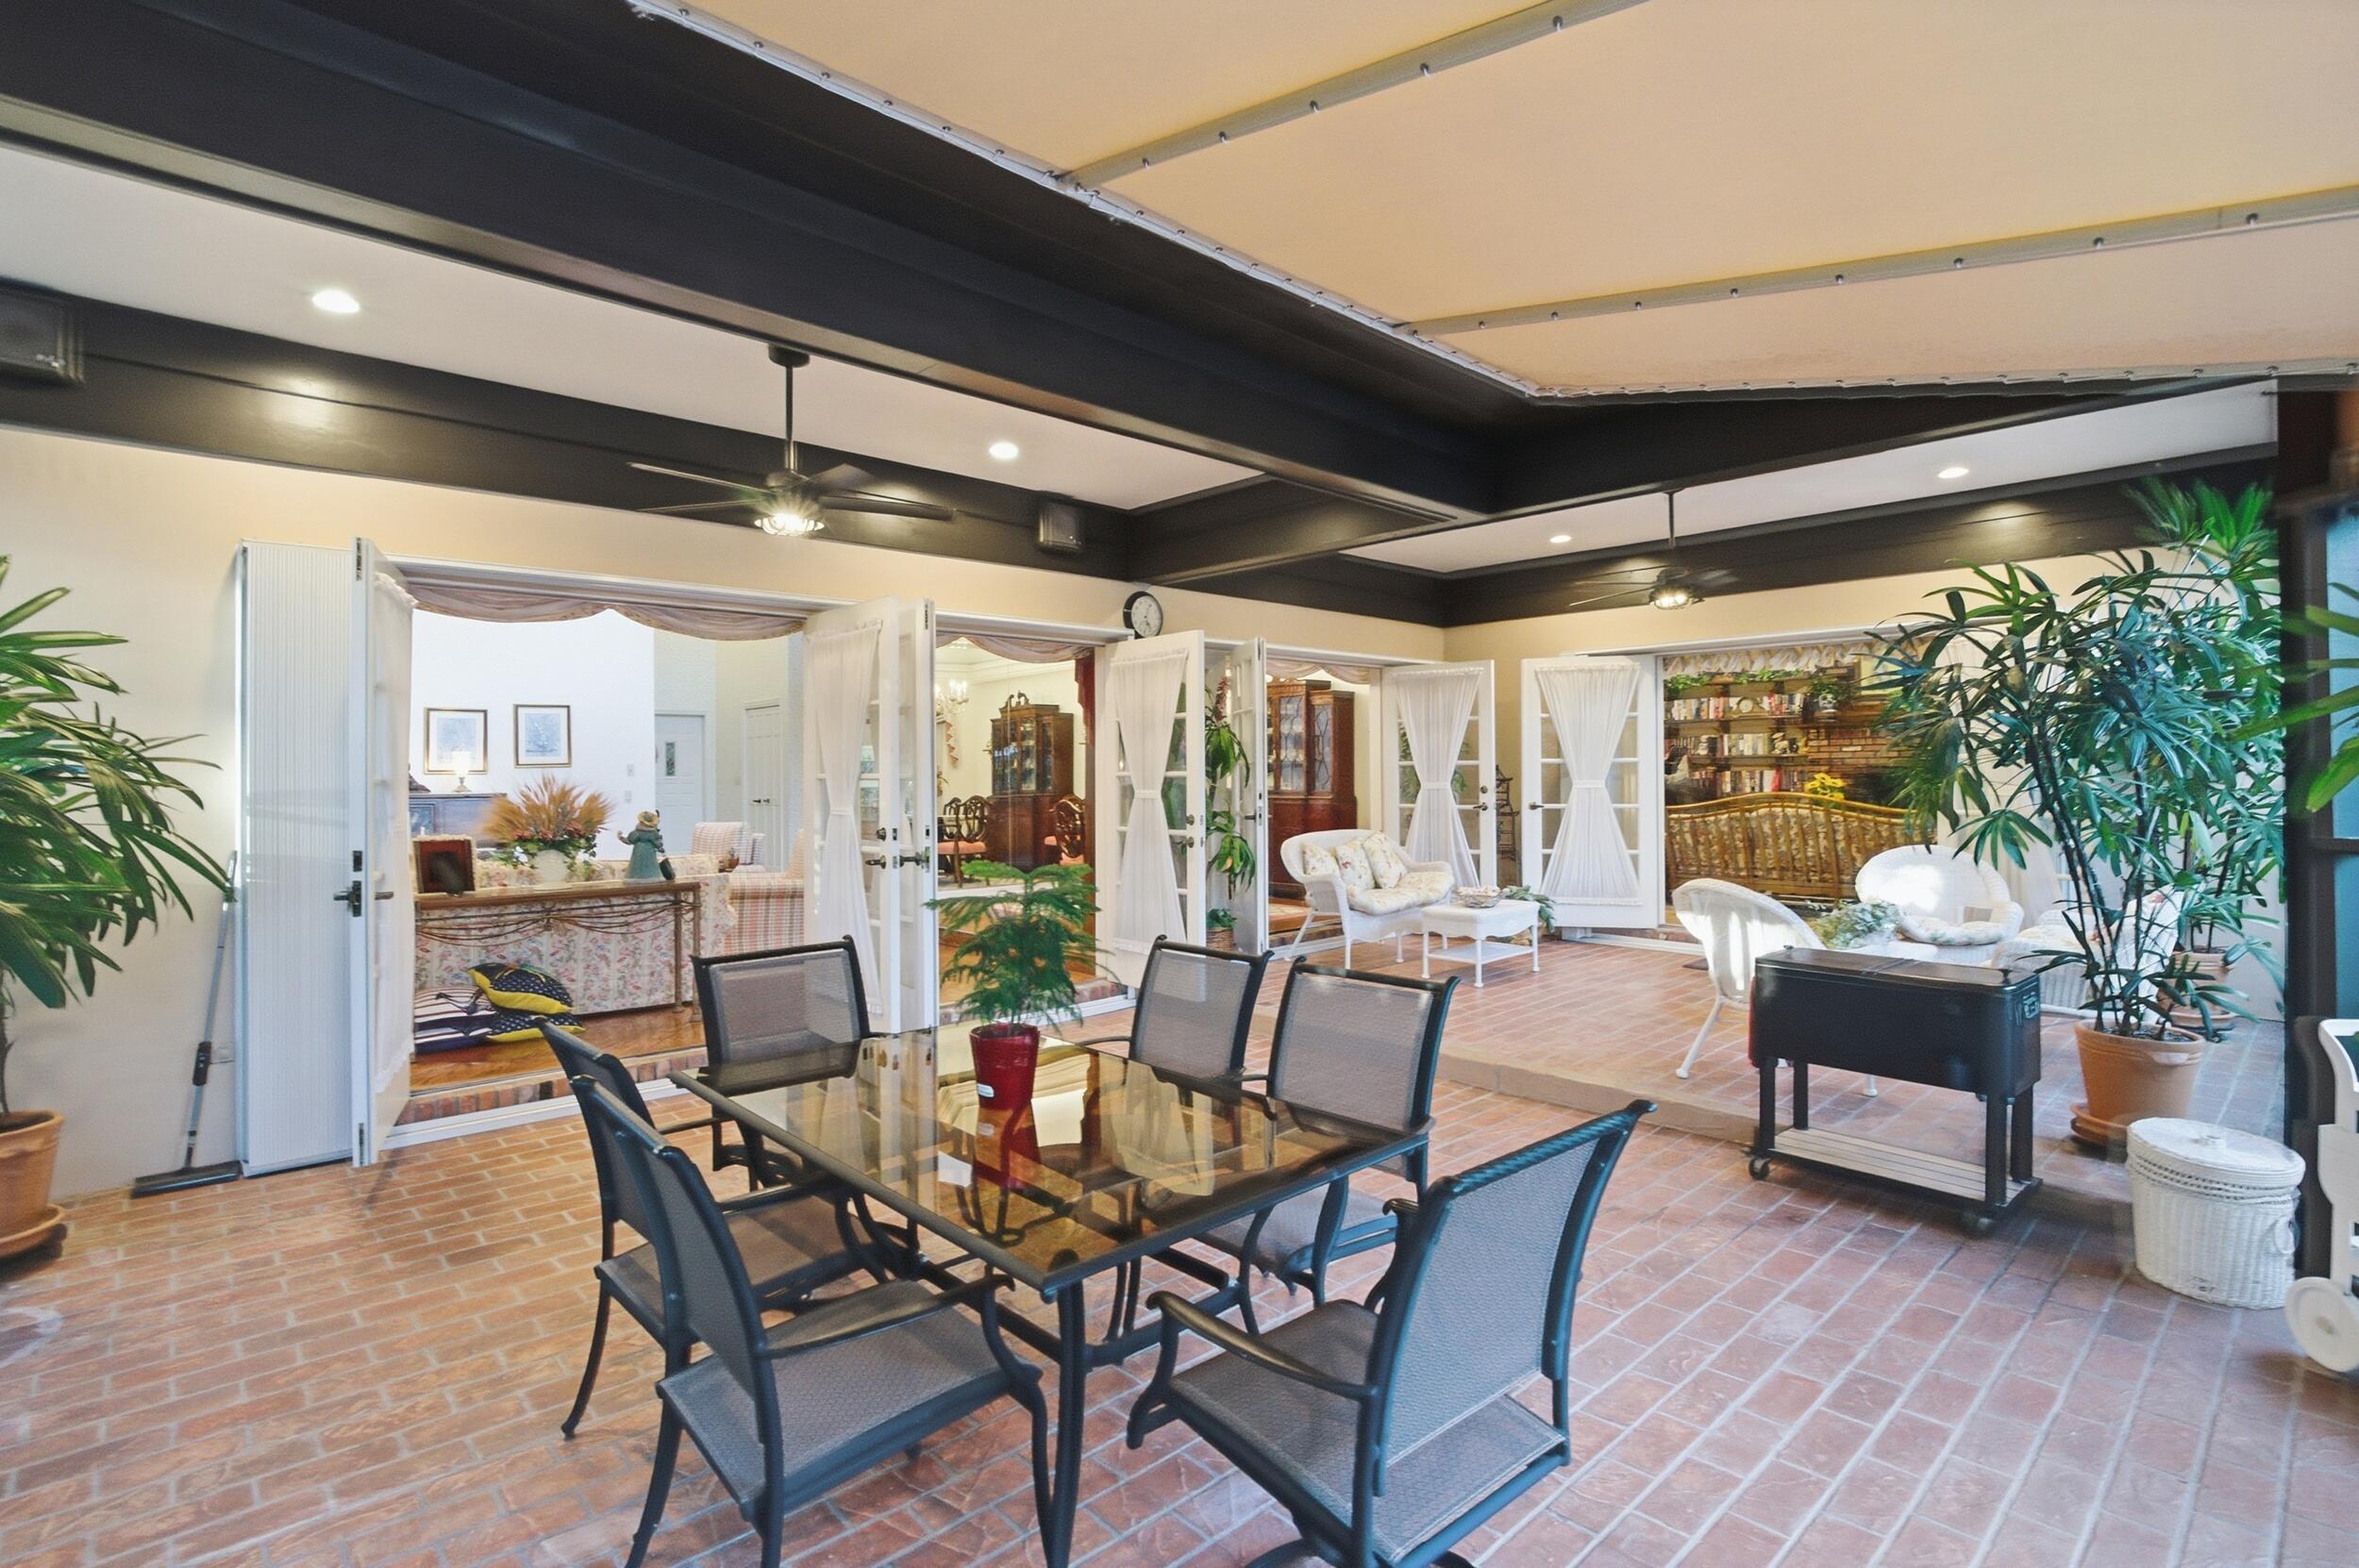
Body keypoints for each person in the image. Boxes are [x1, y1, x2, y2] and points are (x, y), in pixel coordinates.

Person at [620, 809, 672, 881]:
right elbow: (657, 843)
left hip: (638, 851)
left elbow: (630, 840)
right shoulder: (653, 833)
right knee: (651, 865)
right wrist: (660, 847)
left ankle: (635, 877)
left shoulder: (637, 832)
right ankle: (652, 877)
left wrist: (621, 838)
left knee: (637, 865)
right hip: (649, 852)